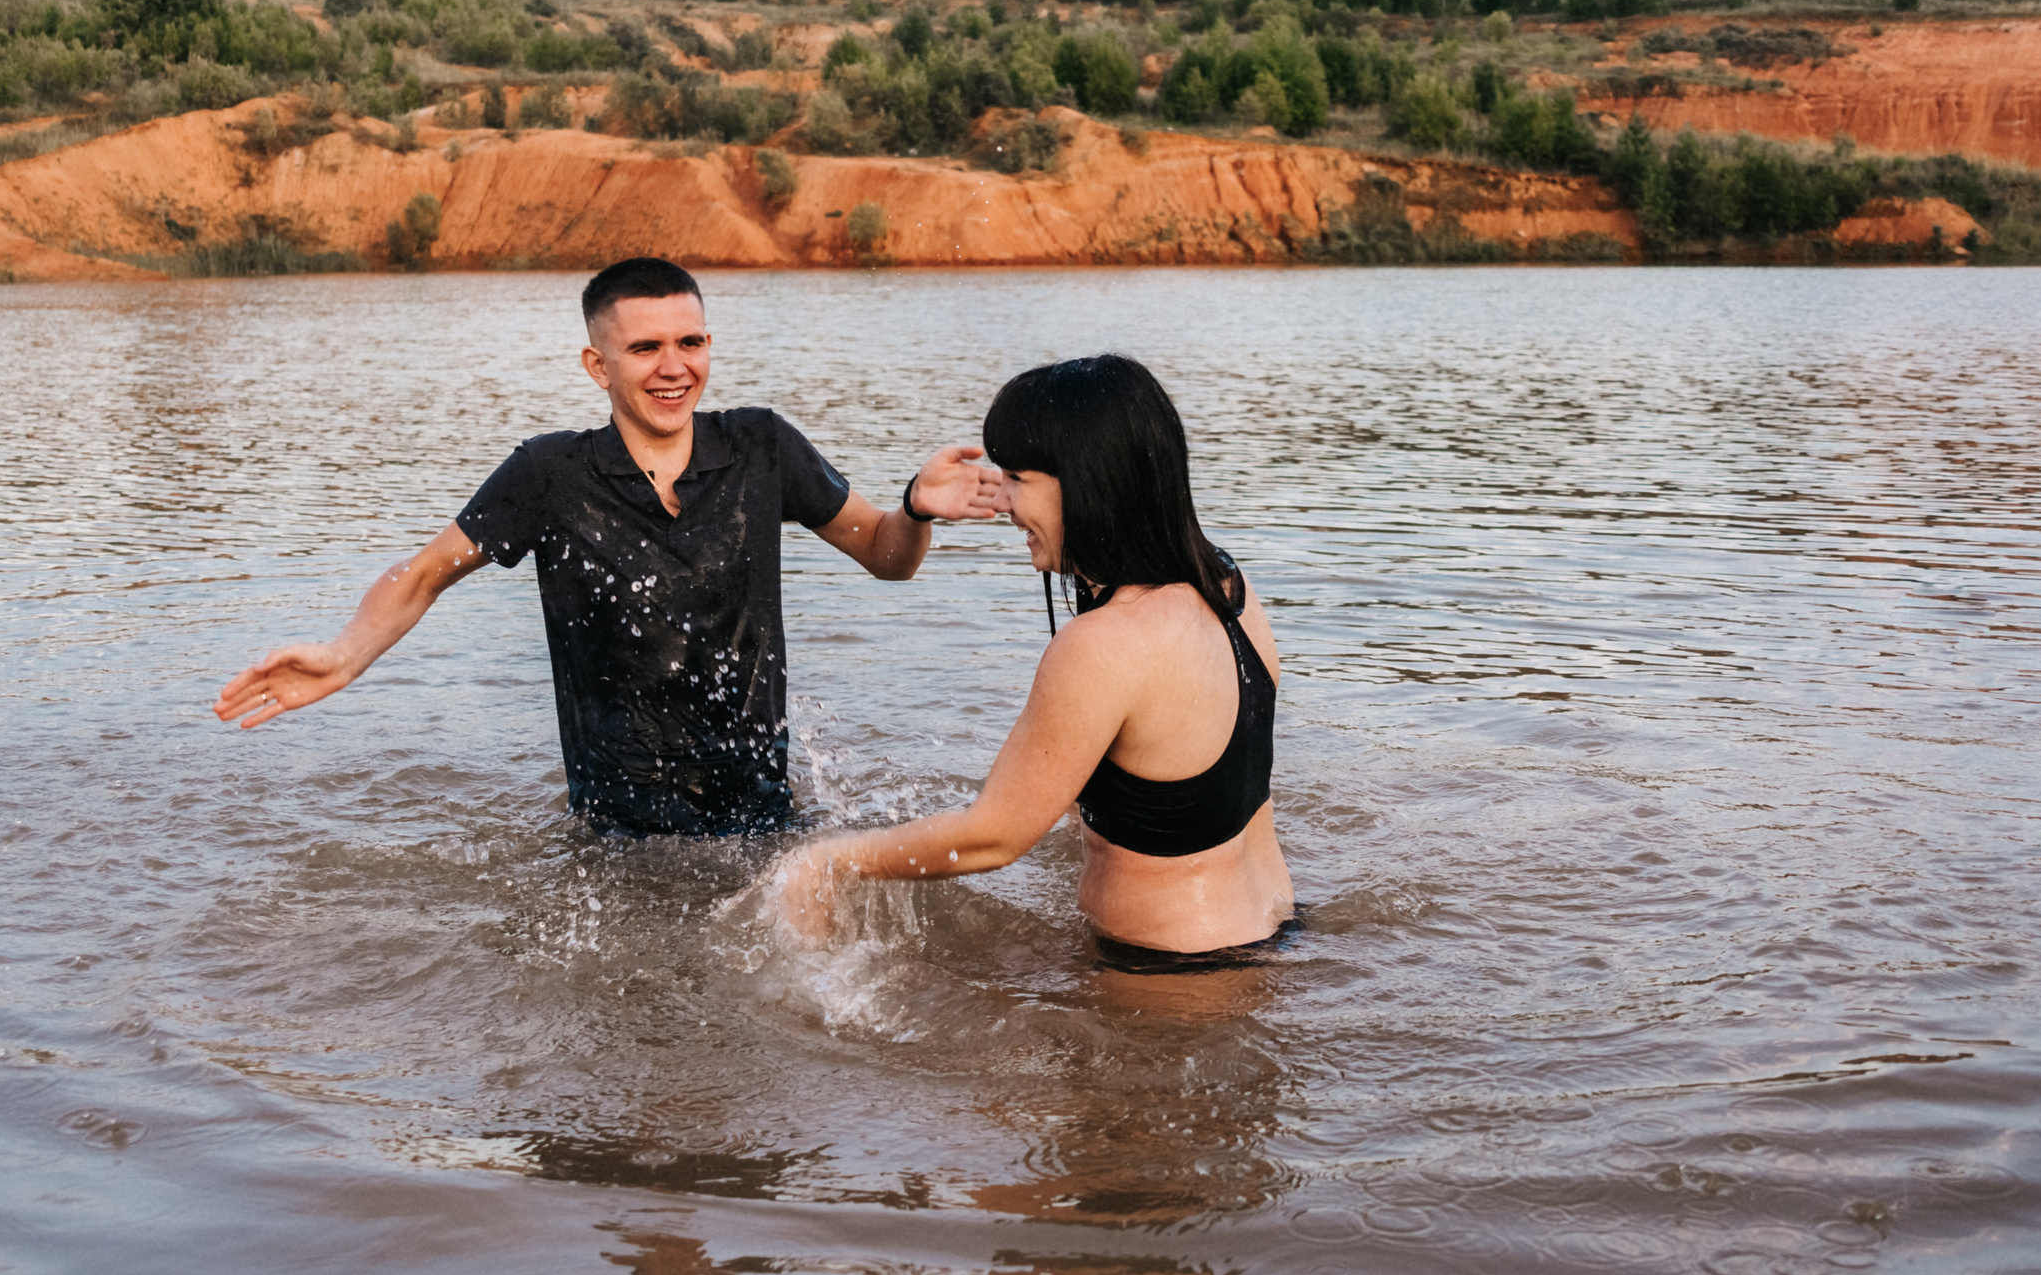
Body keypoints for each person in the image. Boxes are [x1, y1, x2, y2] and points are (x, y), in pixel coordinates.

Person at [213, 257, 1002, 835]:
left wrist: (915, 507)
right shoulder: (548, 473)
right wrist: (344, 655)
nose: (674, 366)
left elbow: (883, 552)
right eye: (646, 347)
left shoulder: (760, 445)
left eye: (690, 341)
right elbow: (422, 575)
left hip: (763, 825)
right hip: (617, 839)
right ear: (598, 364)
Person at [773, 354, 1293, 961]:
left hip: (1169, 979)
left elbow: (995, 837)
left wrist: (828, 861)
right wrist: (917, 505)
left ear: (1088, 482)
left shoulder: (1105, 644)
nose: (1003, 506)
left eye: (1017, 479)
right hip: (1270, 930)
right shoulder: (1225, 581)